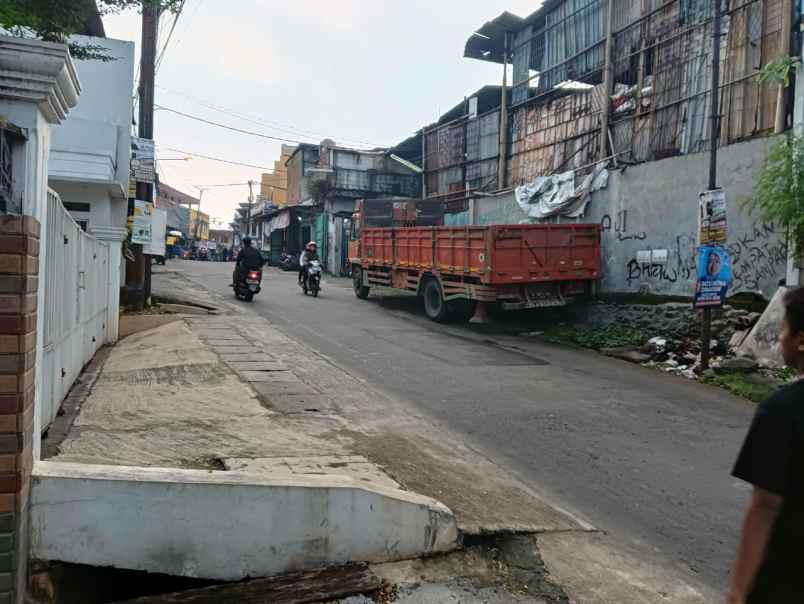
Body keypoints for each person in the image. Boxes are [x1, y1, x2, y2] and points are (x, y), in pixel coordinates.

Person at [728, 287, 804, 603]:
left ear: (801, 340)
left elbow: (764, 507)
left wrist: (737, 592)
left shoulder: (784, 409)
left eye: (784, 328)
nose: (780, 337)